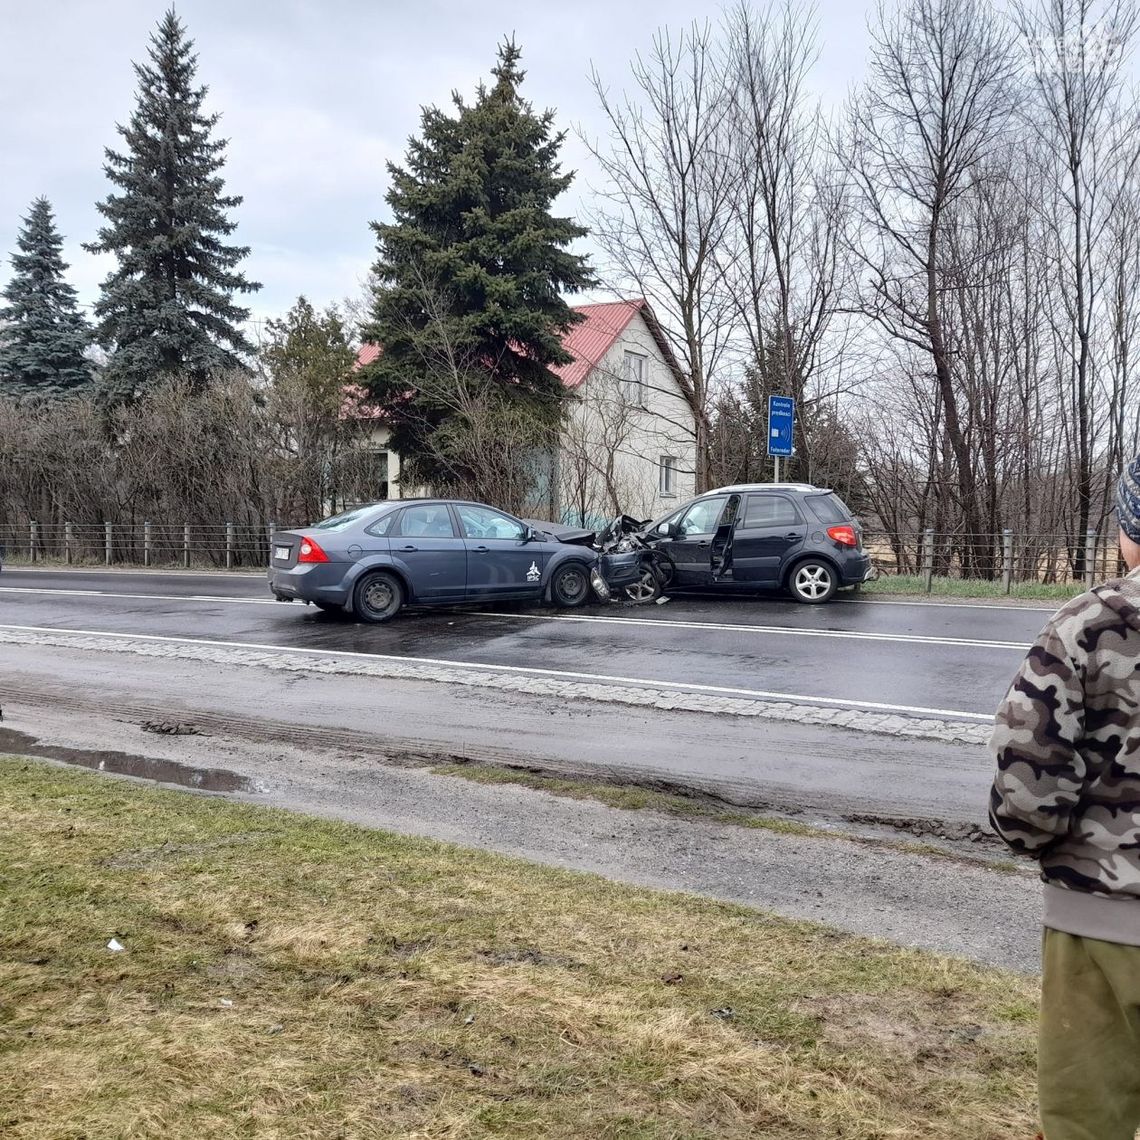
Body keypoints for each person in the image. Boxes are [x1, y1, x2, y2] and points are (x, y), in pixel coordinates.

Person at [990, 452, 1140, 1140]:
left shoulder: (1087, 627)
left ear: (1128, 530)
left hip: (1102, 929)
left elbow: (1030, 794)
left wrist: (1032, 840)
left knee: (1088, 1124)